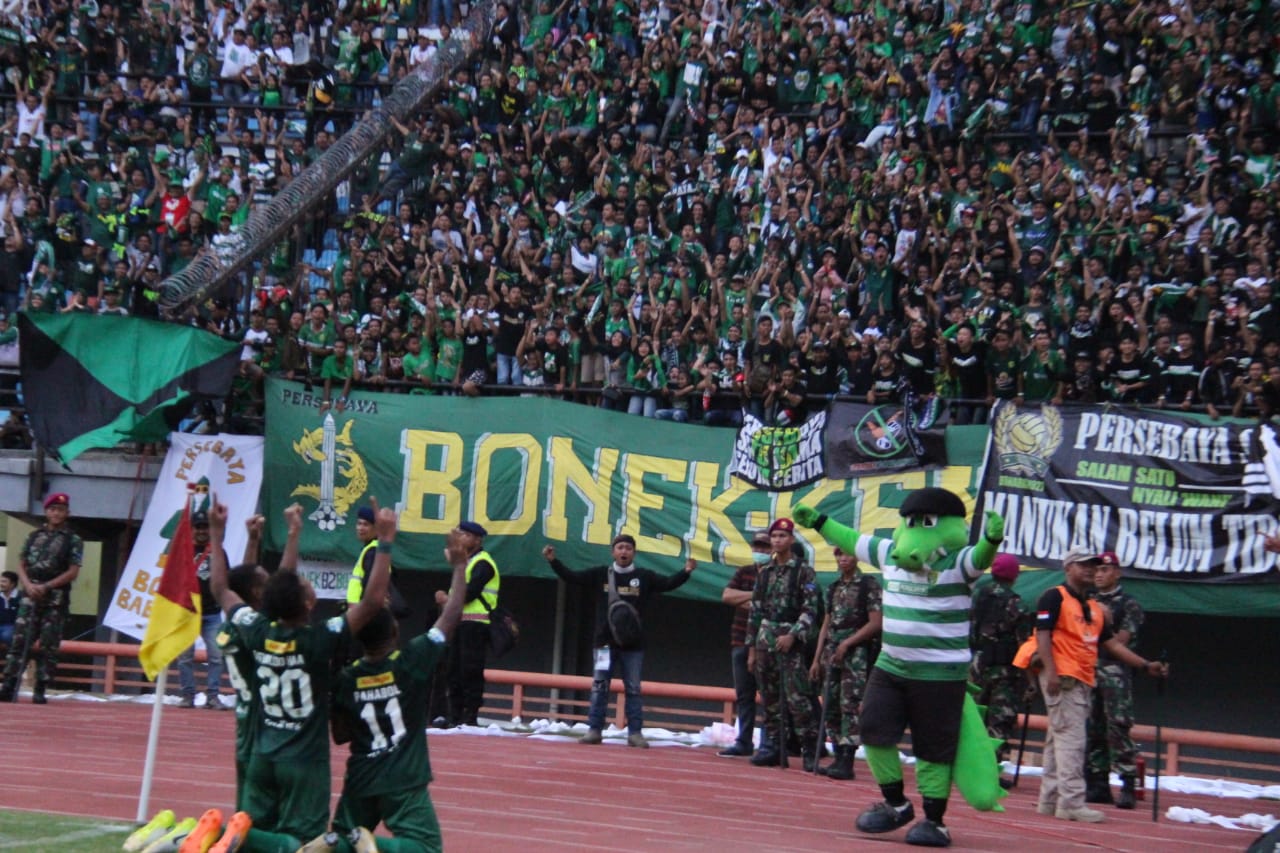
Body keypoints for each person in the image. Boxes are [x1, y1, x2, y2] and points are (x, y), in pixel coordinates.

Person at [209, 496, 394, 851]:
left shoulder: (257, 629)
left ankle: (225, 834)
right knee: (304, 843)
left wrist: (217, 536)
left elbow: (221, 588)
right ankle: (219, 833)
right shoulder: (318, 640)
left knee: (254, 831)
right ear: (308, 604)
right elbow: (372, 603)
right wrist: (385, 543)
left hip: (264, 752)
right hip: (304, 761)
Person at [309, 529, 471, 853]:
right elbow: (451, 616)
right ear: (395, 631)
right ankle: (377, 848)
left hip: (362, 776)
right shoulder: (411, 662)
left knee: (340, 842)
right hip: (404, 778)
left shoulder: (347, 677)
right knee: (426, 847)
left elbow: (340, 735)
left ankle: (332, 843)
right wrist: (459, 567)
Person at [1022, 549, 1168, 824]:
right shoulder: (1055, 596)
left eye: (1096, 566)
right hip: (1063, 676)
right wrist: (1051, 672)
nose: (1092, 570)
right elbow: (1042, 634)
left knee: (1058, 739)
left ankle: (1050, 800)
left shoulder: (1091, 608)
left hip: (1082, 676)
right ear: (1068, 568)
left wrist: (1145, 665)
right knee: (1073, 741)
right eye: (1085, 565)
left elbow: (1112, 644)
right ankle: (1072, 803)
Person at [542, 535, 695, 747]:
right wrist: (553, 561)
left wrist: (686, 571)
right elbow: (572, 577)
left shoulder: (644, 577)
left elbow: (668, 584)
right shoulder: (600, 574)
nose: (624, 552)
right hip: (604, 644)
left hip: (634, 646)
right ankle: (594, 730)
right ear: (612, 552)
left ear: (634, 553)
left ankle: (635, 734)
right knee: (599, 686)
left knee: (633, 688)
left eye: (629, 548)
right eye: (620, 548)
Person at [746, 518, 821, 771]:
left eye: (782, 536)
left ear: (791, 540)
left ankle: (809, 751)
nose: (777, 540)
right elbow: (755, 612)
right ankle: (774, 748)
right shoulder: (765, 571)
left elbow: (811, 610)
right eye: (774, 536)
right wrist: (752, 650)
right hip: (765, 639)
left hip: (790, 640)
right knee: (769, 699)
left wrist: (794, 635)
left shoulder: (803, 571)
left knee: (797, 699)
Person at [0, 493, 83, 704]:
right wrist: (27, 584)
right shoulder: (34, 536)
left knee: (48, 644)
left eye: (60, 510)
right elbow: (21, 562)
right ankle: (9, 685)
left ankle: (41, 687)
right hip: (29, 595)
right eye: (52, 509)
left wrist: (47, 586)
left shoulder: (72, 540)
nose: (56, 513)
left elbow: (73, 571)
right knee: (19, 641)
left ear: (67, 513)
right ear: (46, 512)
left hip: (54, 598)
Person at [809, 546, 883, 780]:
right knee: (830, 703)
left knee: (850, 704)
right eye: (839, 554)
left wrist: (847, 644)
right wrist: (816, 658)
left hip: (856, 653)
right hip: (831, 652)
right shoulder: (834, 587)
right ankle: (837, 754)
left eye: (847, 554)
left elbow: (875, 622)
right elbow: (826, 624)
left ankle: (847, 759)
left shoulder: (868, 585)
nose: (843, 559)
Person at [1085, 552, 1146, 810]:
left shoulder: (1128, 604)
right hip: (1088, 670)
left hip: (1114, 673)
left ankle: (1128, 783)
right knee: (1092, 727)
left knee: (1117, 727)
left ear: (1117, 573)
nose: (1099, 574)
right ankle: (1098, 784)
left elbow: (1121, 642)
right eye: (1096, 570)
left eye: (1105, 570)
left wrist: (1102, 623)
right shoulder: (1087, 601)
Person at [968, 553, 1028, 783]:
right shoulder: (1016, 603)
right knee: (999, 720)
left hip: (977, 665)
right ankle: (990, 770)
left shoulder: (978, 596)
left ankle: (970, 767)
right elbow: (1024, 645)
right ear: (1014, 576)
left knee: (975, 717)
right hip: (1005, 670)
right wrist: (1030, 679)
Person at [173, 481, 230, 709]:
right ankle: (188, 694)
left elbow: (225, 579)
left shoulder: (218, 551)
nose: (202, 531)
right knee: (184, 657)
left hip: (212, 613)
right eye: (198, 527)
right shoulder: (183, 551)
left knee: (216, 656)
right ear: (192, 529)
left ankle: (213, 695)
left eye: (205, 527)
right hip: (187, 611)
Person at [717, 531, 770, 758]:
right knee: (744, 695)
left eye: (765, 547)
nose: (761, 551)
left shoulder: (778, 574)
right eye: (757, 547)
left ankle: (769, 744)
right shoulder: (745, 572)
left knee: (770, 696)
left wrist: (751, 601)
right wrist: (755, 596)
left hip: (768, 644)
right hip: (740, 641)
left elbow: (773, 605)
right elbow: (727, 596)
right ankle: (744, 741)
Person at [445, 520, 499, 728]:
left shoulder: (483, 563)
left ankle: (470, 716)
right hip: (459, 624)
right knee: (453, 671)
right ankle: (455, 716)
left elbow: (469, 593)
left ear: (477, 540)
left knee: (470, 671)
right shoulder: (466, 562)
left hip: (476, 624)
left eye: (465, 535)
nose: (461, 538)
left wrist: (447, 601)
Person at [0, 571, 19, 654]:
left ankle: (13, 657)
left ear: (12, 584)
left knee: (7, 635)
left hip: (14, 627)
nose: (1, 584)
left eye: (4, 581)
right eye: (0, 581)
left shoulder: (20, 597)